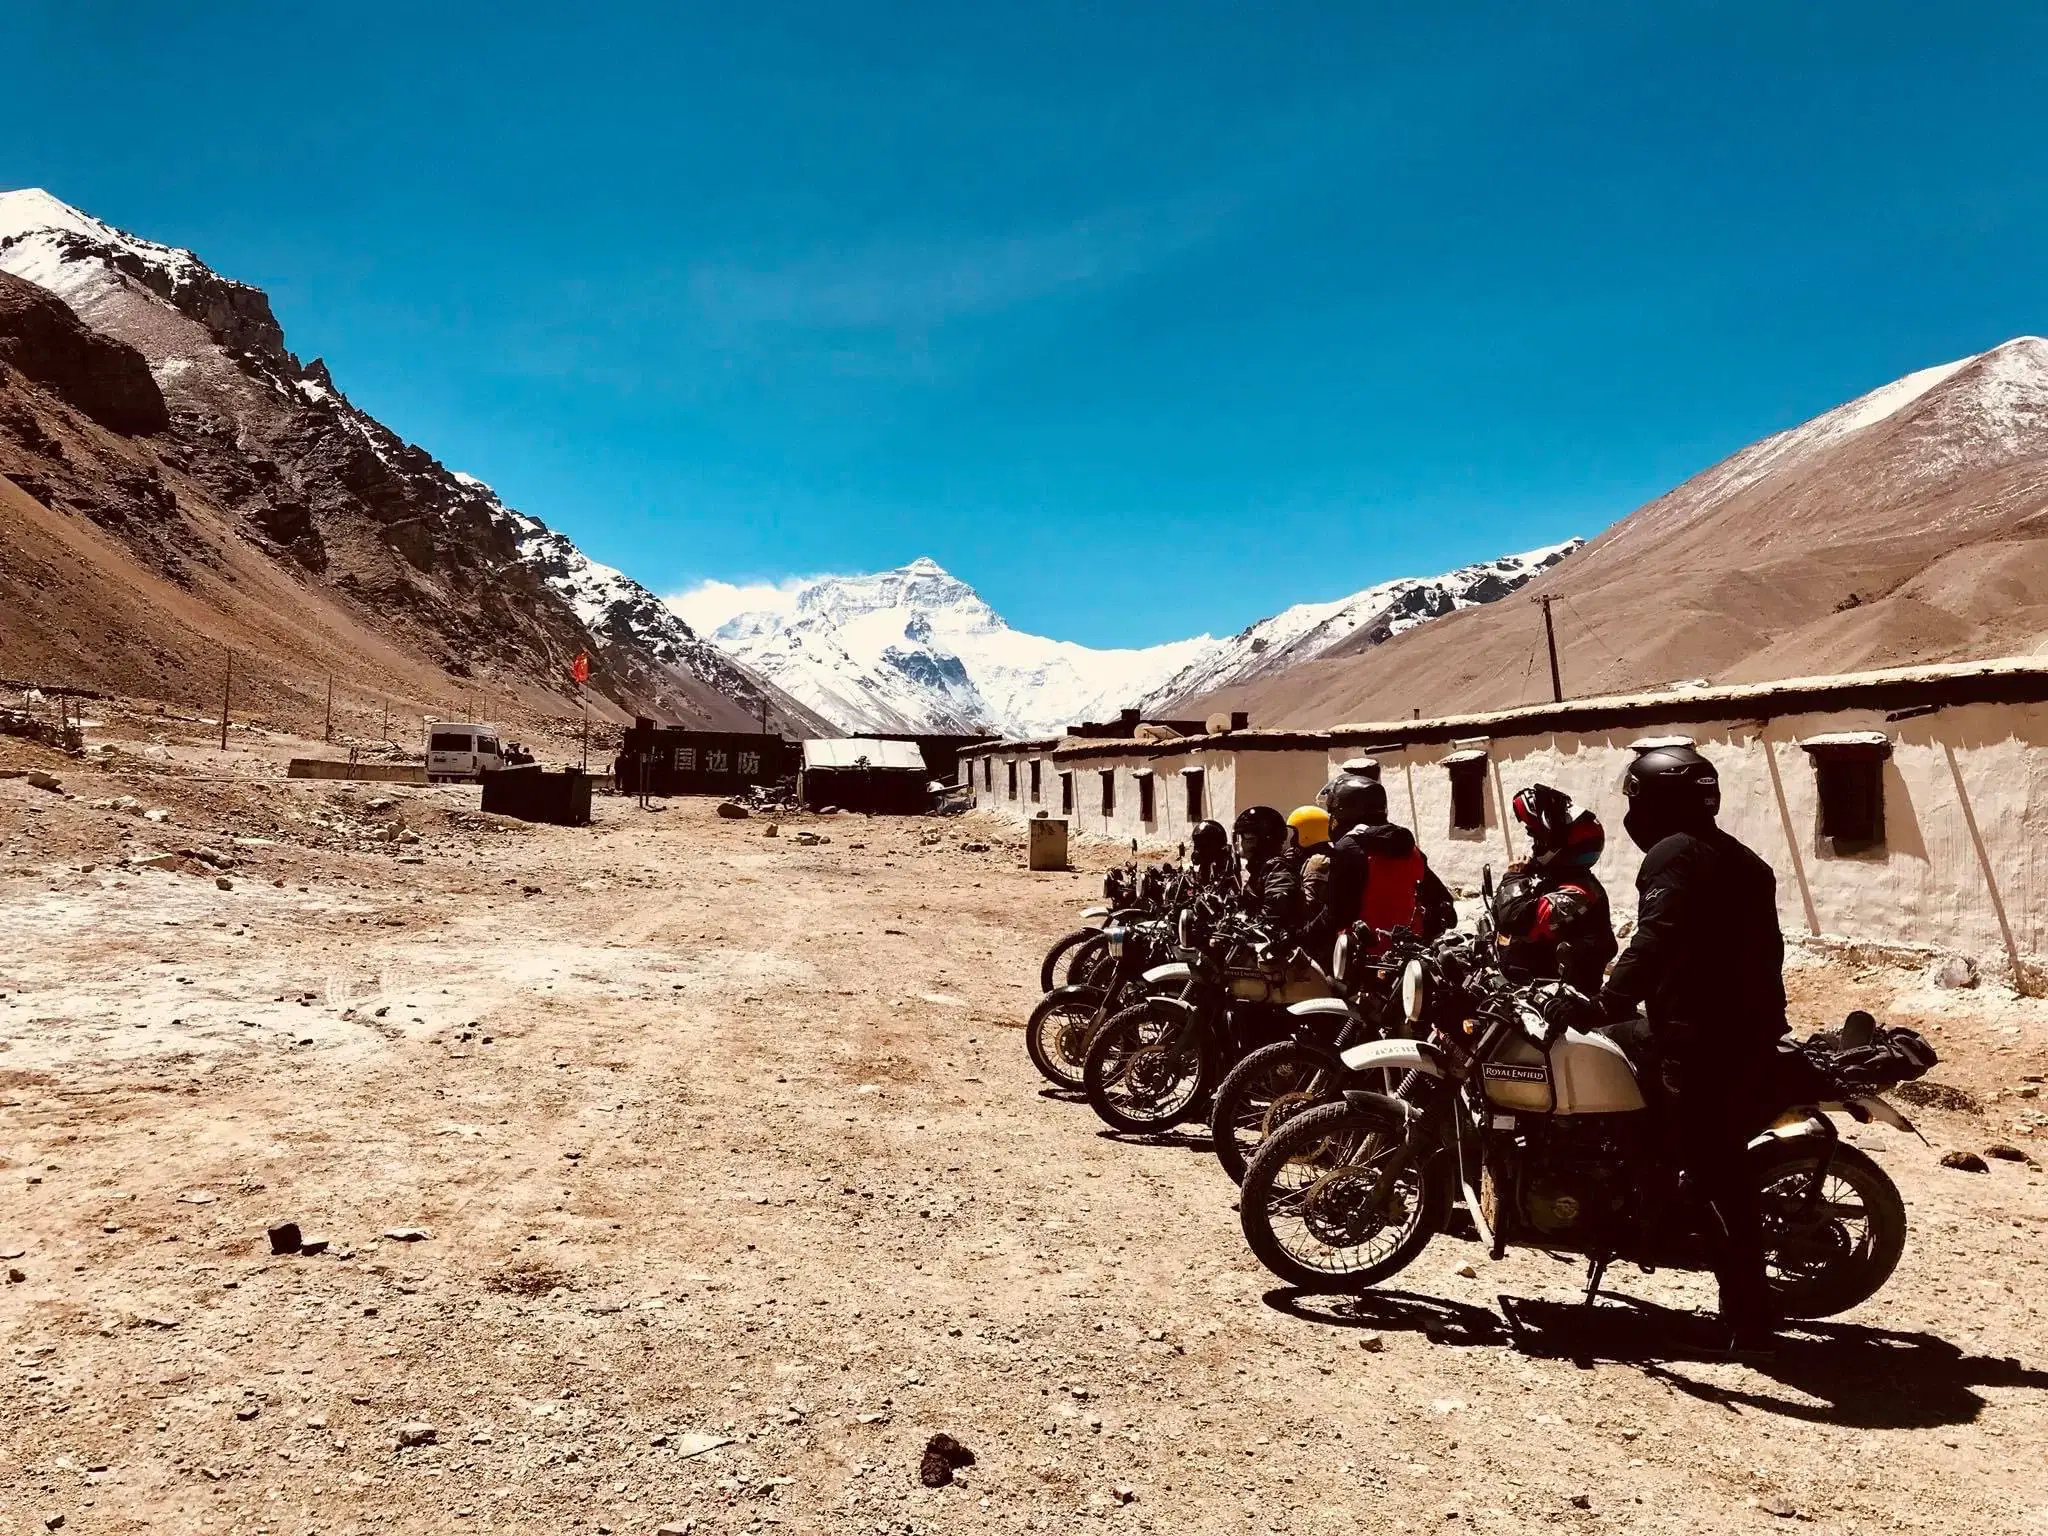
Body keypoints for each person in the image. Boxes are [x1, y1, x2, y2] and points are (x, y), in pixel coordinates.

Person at [1597, 745, 1788, 1349]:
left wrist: (1607, 997)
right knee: (1607, 1052)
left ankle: (1750, 1323)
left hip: (1708, 1040)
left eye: (1637, 798)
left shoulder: (1674, 854)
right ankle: (1633, 1180)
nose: (1632, 811)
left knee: (1715, 1172)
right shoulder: (1743, 859)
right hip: (1727, 1025)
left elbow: (1656, 939)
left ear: (1657, 801)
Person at [1301, 777, 1456, 958]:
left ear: (1347, 811)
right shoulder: (1409, 847)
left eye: (1334, 813)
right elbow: (1441, 901)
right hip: (1404, 959)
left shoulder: (1350, 847)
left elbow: (1337, 914)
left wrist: (1303, 936)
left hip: (1360, 958)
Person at [1490, 784, 1617, 995]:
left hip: (1561, 1005)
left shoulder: (1579, 893)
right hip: (1533, 990)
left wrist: (1514, 876)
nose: (1534, 846)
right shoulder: (1555, 881)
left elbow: (1514, 919)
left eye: (1539, 840)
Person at [1231, 805, 1300, 930]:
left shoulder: (1278, 869)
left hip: (1273, 945)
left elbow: (1273, 913)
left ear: (1264, 841)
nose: (1241, 845)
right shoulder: (1260, 868)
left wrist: (1248, 927)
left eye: (1248, 839)